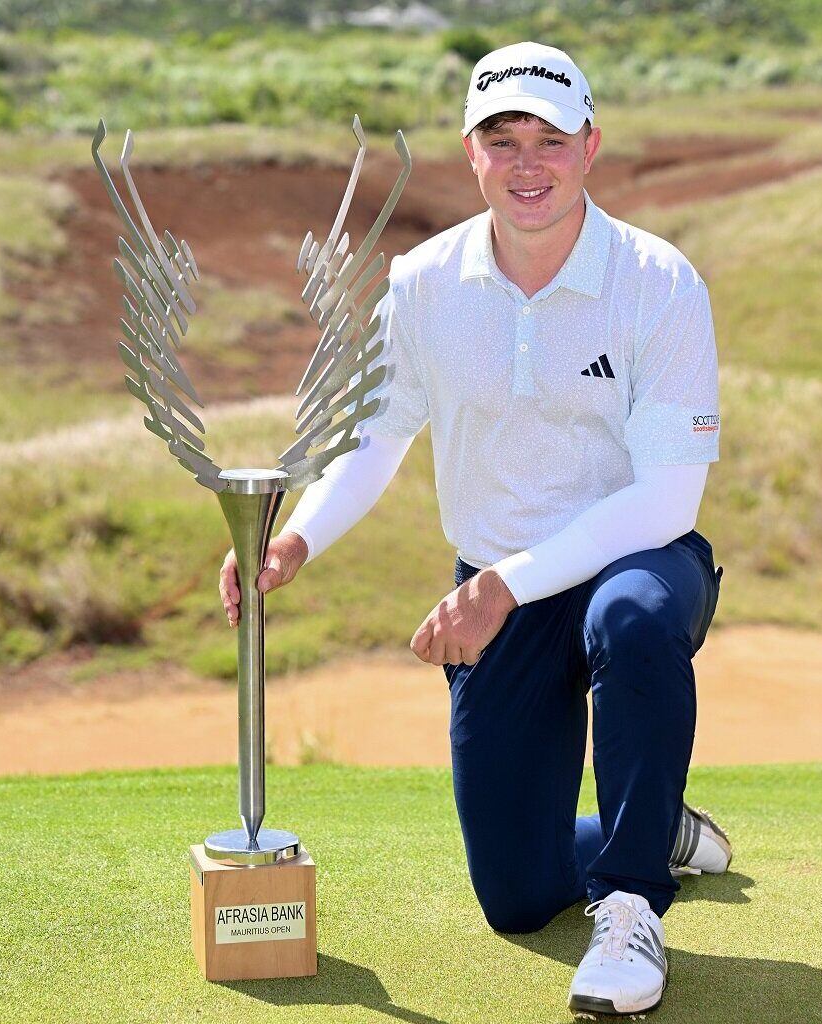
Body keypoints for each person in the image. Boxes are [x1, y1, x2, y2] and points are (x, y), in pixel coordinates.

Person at [219, 41, 732, 1016]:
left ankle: (630, 904)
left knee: (629, 620)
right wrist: (295, 540)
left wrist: (499, 586)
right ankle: (653, 826)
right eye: (503, 140)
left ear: (590, 146)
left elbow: (669, 499)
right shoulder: (421, 282)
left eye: (549, 138)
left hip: (640, 562)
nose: (526, 162)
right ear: (470, 152)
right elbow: (375, 439)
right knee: (518, 896)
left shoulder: (656, 281)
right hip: (496, 581)